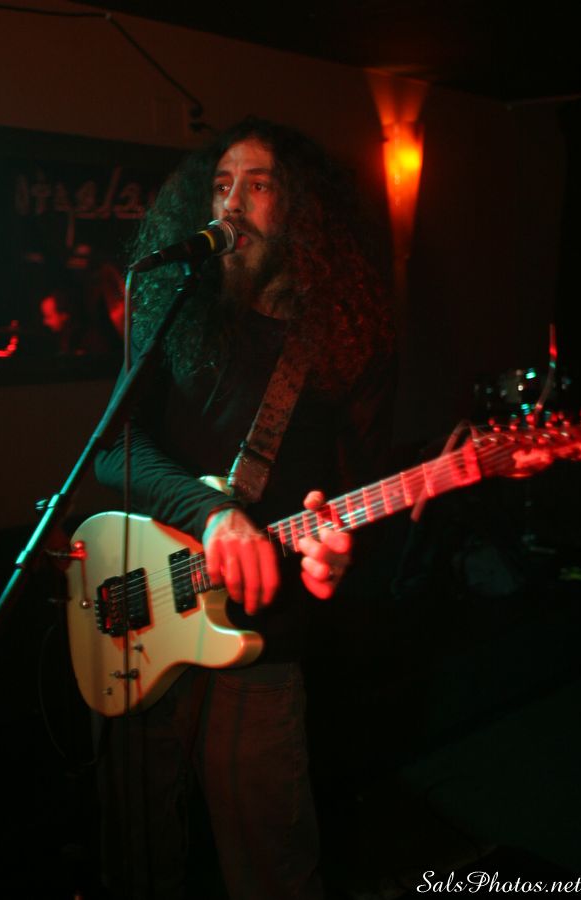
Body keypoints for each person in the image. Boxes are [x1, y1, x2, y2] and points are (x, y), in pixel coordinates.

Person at [93, 115, 397, 900]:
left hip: (262, 644)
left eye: (257, 186)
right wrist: (211, 512)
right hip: (143, 613)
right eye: (222, 185)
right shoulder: (176, 308)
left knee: (271, 870)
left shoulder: (341, 337)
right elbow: (111, 449)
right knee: (138, 854)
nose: (232, 203)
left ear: (299, 209)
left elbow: (360, 490)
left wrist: (338, 556)